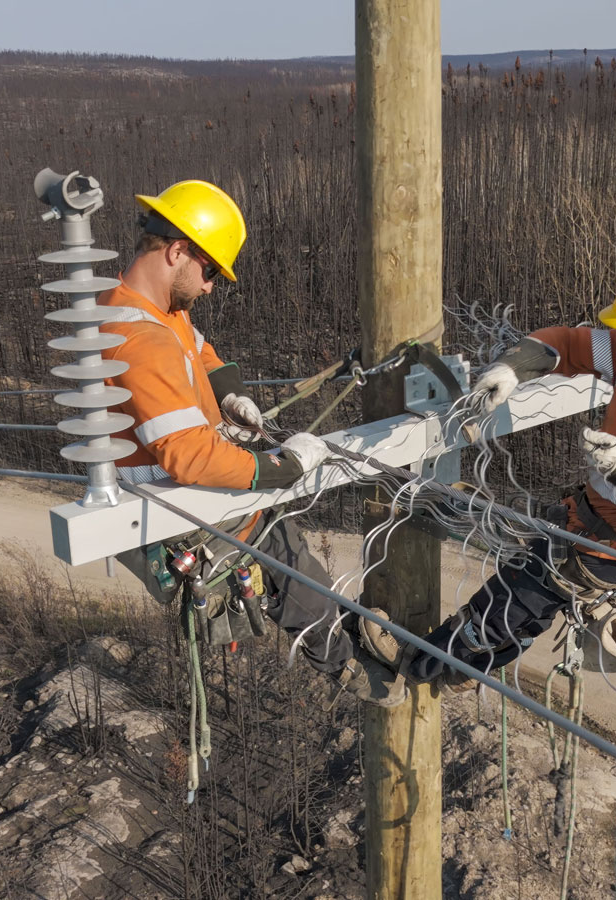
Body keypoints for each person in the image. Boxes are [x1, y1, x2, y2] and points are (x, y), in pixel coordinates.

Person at [98, 179, 405, 706]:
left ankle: (342, 631)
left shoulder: (147, 307)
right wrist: (284, 467)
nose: (210, 287)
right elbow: (189, 454)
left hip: (198, 491)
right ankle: (346, 664)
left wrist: (231, 396)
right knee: (290, 571)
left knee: (294, 557)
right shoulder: (140, 338)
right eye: (211, 272)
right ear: (177, 251)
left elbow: (199, 352)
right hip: (186, 512)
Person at [404, 249, 616, 689]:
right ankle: (462, 668)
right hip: (578, 521)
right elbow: (564, 343)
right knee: (515, 600)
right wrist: (513, 368)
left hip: (610, 553)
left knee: (498, 612)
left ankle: (406, 670)